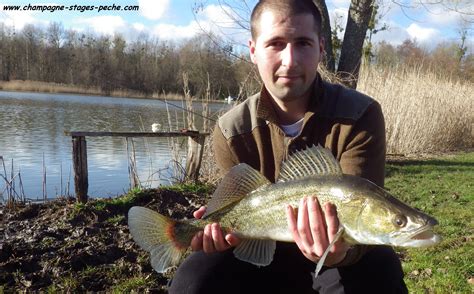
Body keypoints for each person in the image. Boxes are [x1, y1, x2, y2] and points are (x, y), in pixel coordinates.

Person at [169, 0, 407, 293]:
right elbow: (238, 205)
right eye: (276, 44)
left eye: (303, 43)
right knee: (194, 279)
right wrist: (217, 233)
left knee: (380, 268)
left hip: (337, 257)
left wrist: (341, 254)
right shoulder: (230, 130)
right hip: (261, 251)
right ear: (253, 50)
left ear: (321, 48)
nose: (290, 60)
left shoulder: (360, 115)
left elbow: (363, 214)